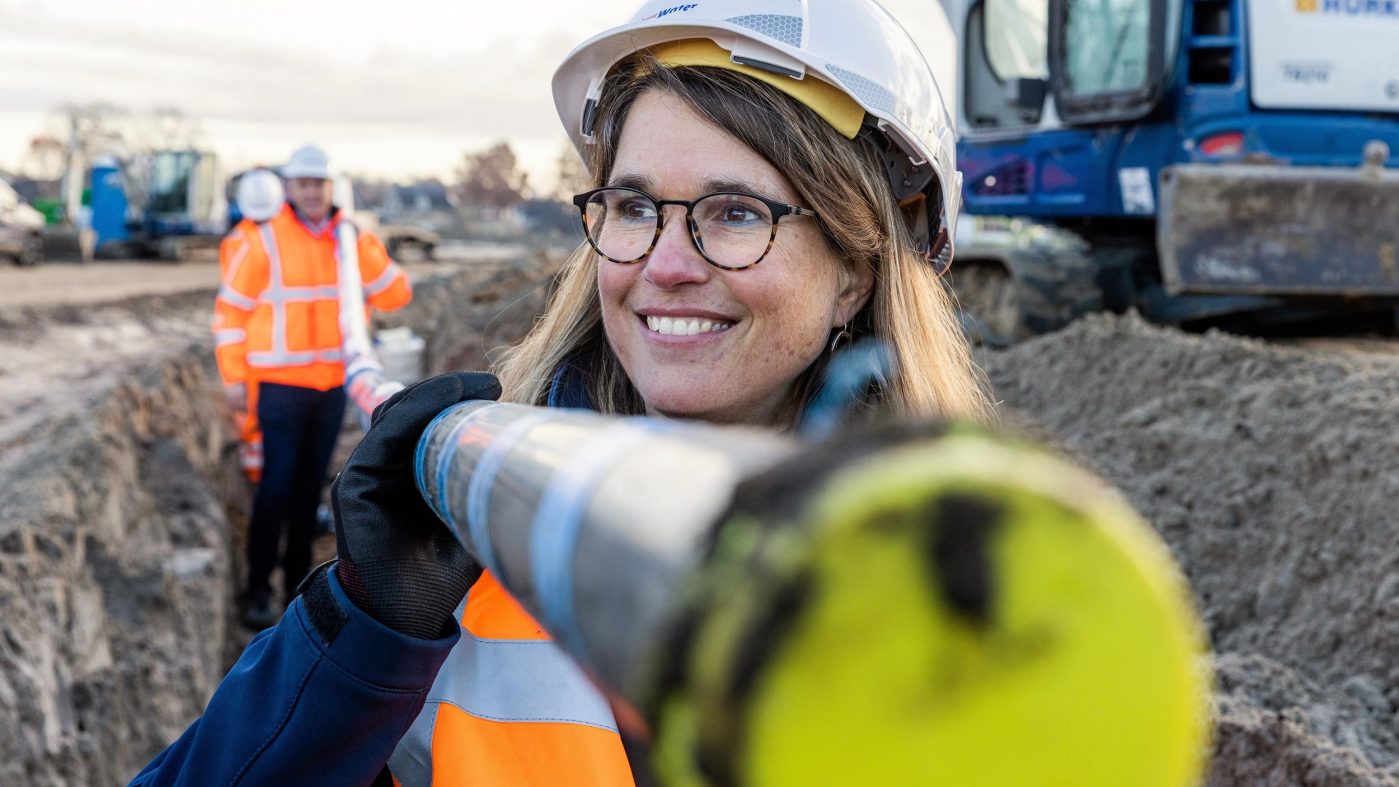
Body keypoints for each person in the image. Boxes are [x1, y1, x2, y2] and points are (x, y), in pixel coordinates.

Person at [134, 1, 991, 783]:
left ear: (856, 269)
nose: (663, 264)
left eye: (734, 211)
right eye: (632, 205)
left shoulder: (986, 604)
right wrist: (359, 635)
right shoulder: (471, 549)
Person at [211, 146, 412, 630]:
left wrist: (364, 245)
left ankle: (295, 592)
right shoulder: (265, 242)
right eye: (302, 184)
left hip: (330, 389)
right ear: (290, 189)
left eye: (318, 184)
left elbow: (397, 294)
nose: (311, 192)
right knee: (275, 489)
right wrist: (235, 377)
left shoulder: (349, 241)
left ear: (329, 187)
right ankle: (258, 590)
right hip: (279, 387)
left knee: (307, 494)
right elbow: (230, 314)